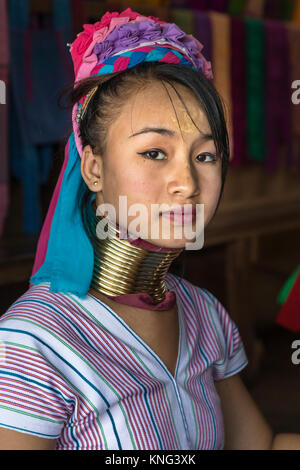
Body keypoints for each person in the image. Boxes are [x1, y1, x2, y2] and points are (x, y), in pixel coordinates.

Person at [0, 7, 299, 451]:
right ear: (94, 168)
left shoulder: (205, 316)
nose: (187, 183)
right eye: (155, 152)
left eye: (206, 156)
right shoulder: (32, 343)